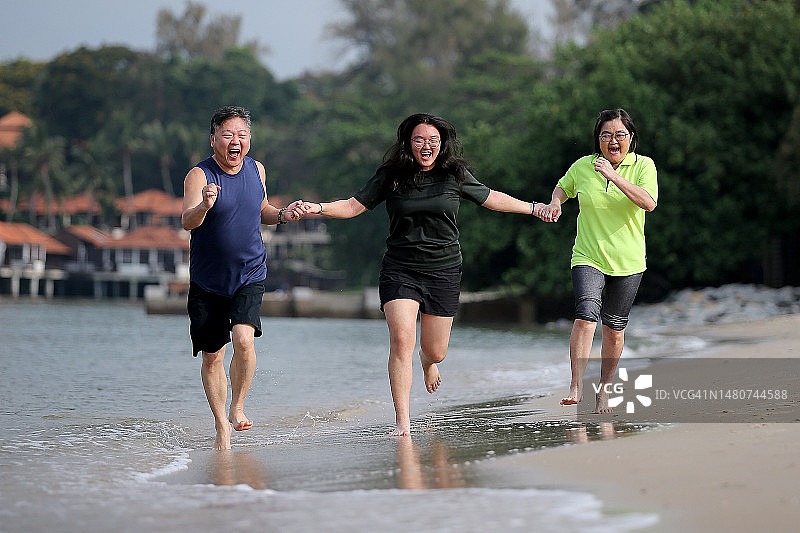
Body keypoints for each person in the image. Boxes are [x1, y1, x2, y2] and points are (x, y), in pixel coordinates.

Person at [300, 113, 545, 436]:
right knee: (401, 341)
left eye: (433, 140)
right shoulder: (392, 176)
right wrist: (316, 208)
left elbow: (490, 198)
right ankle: (402, 422)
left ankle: (428, 362)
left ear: (441, 144)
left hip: (443, 270)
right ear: (408, 143)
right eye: (419, 139)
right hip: (400, 269)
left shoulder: (454, 174)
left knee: (437, 350)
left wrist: (533, 207)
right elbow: (352, 206)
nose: (426, 146)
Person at [182, 105, 304, 450]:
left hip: (250, 272)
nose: (236, 141)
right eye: (228, 134)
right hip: (208, 280)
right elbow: (187, 221)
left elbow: (261, 209)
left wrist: (281, 215)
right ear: (213, 140)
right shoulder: (199, 175)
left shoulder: (256, 169)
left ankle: (237, 405)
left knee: (244, 341)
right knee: (212, 356)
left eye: (242, 134)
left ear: (248, 139)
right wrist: (204, 206)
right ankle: (221, 425)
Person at [537, 108, 658, 414]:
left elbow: (649, 202)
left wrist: (613, 175)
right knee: (585, 315)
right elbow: (563, 187)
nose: (613, 140)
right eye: (606, 135)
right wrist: (555, 202)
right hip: (588, 255)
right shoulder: (583, 166)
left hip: (629, 261)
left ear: (631, 138)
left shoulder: (643, 166)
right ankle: (576, 385)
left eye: (620, 134)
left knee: (614, 328)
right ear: (598, 139)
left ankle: (604, 389)